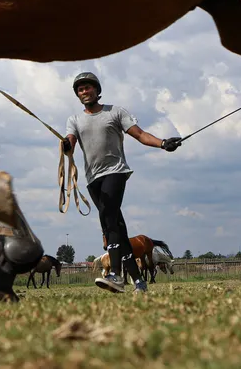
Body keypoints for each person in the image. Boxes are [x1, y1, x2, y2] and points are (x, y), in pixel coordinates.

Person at [62, 71, 181, 293]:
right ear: (77, 95)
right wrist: (66, 145)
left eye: (88, 87)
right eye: (80, 89)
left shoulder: (115, 112)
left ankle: (115, 275)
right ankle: (139, 282)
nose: (84, 91)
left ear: (97, 90)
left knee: (108, 219)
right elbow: (70, 142)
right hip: (92, 179)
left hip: (115, 172)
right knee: (115, 226)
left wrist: (163, 143)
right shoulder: (74, 120)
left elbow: (141, 134)